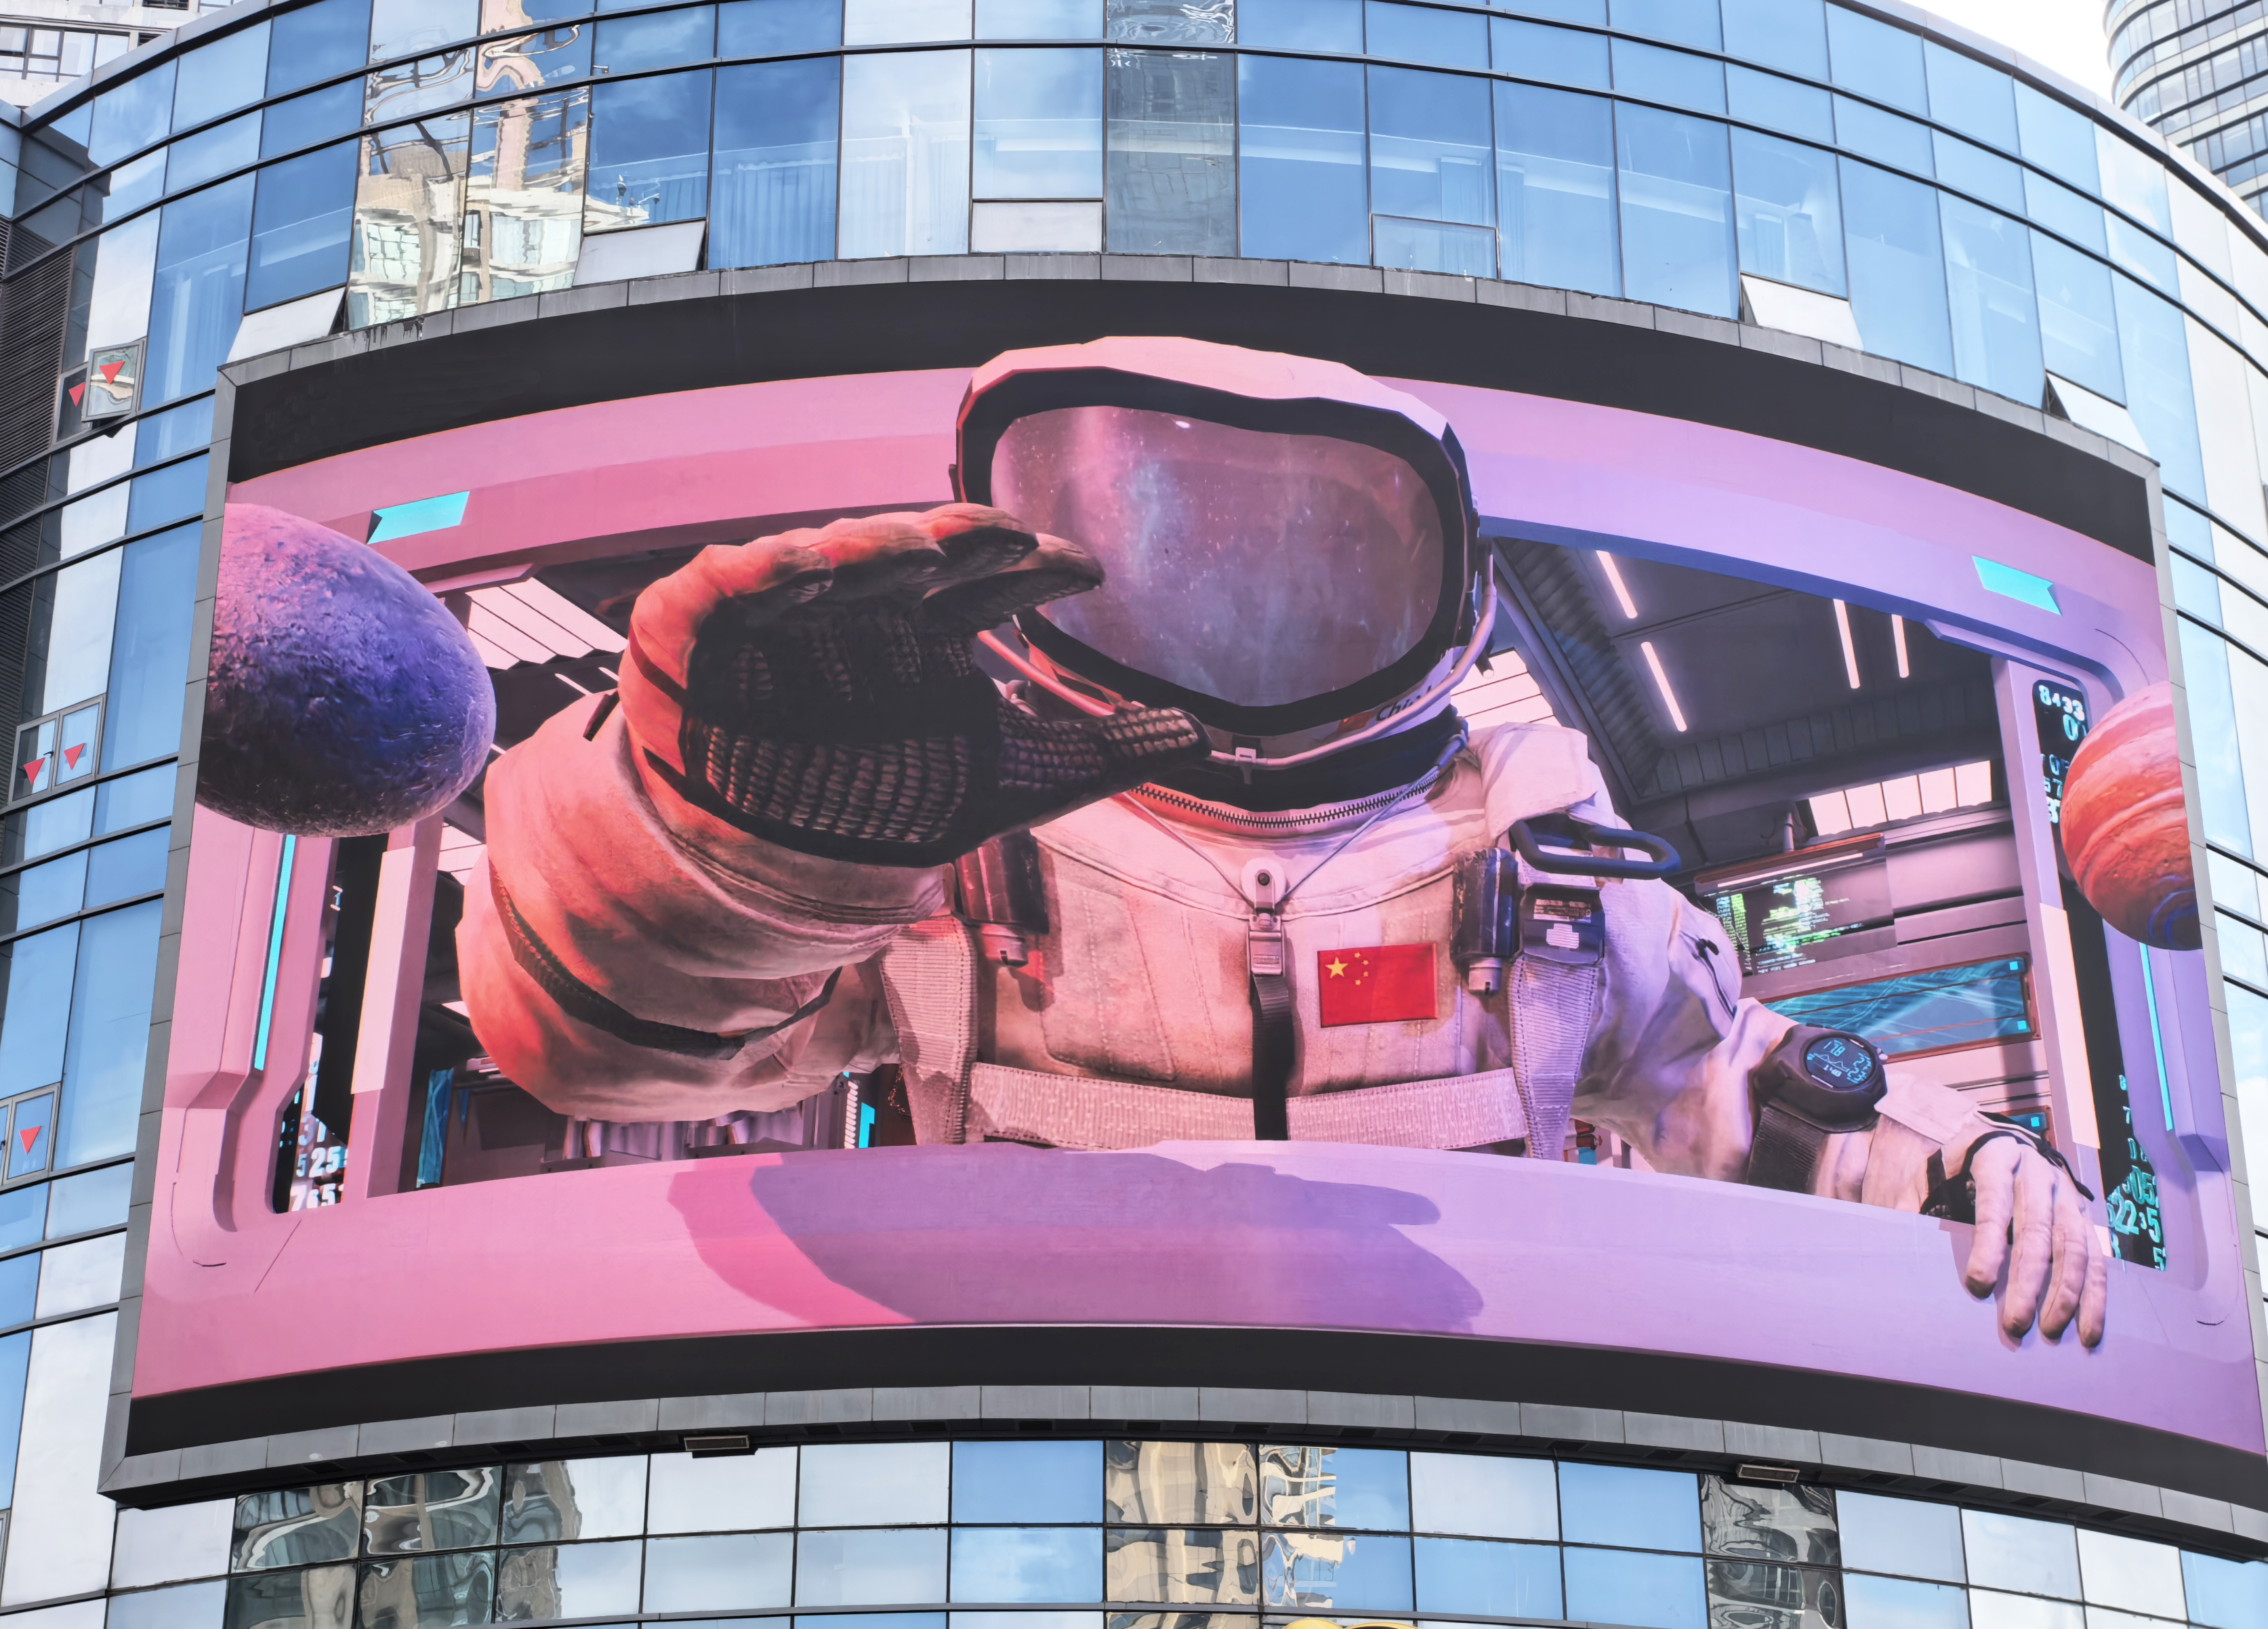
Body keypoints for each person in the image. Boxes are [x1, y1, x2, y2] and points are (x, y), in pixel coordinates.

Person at [457, 337, 2104, 1346]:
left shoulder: (1530, 858)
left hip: (1449, 1434)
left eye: (1317, 554)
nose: (1240, 601)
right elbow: (599, 1054)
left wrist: (1966, 1165)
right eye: (1166, 541)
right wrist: (738, 854)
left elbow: (1725, 1091)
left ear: (1452, 596)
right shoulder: (946, 837)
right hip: (1023, 1426)